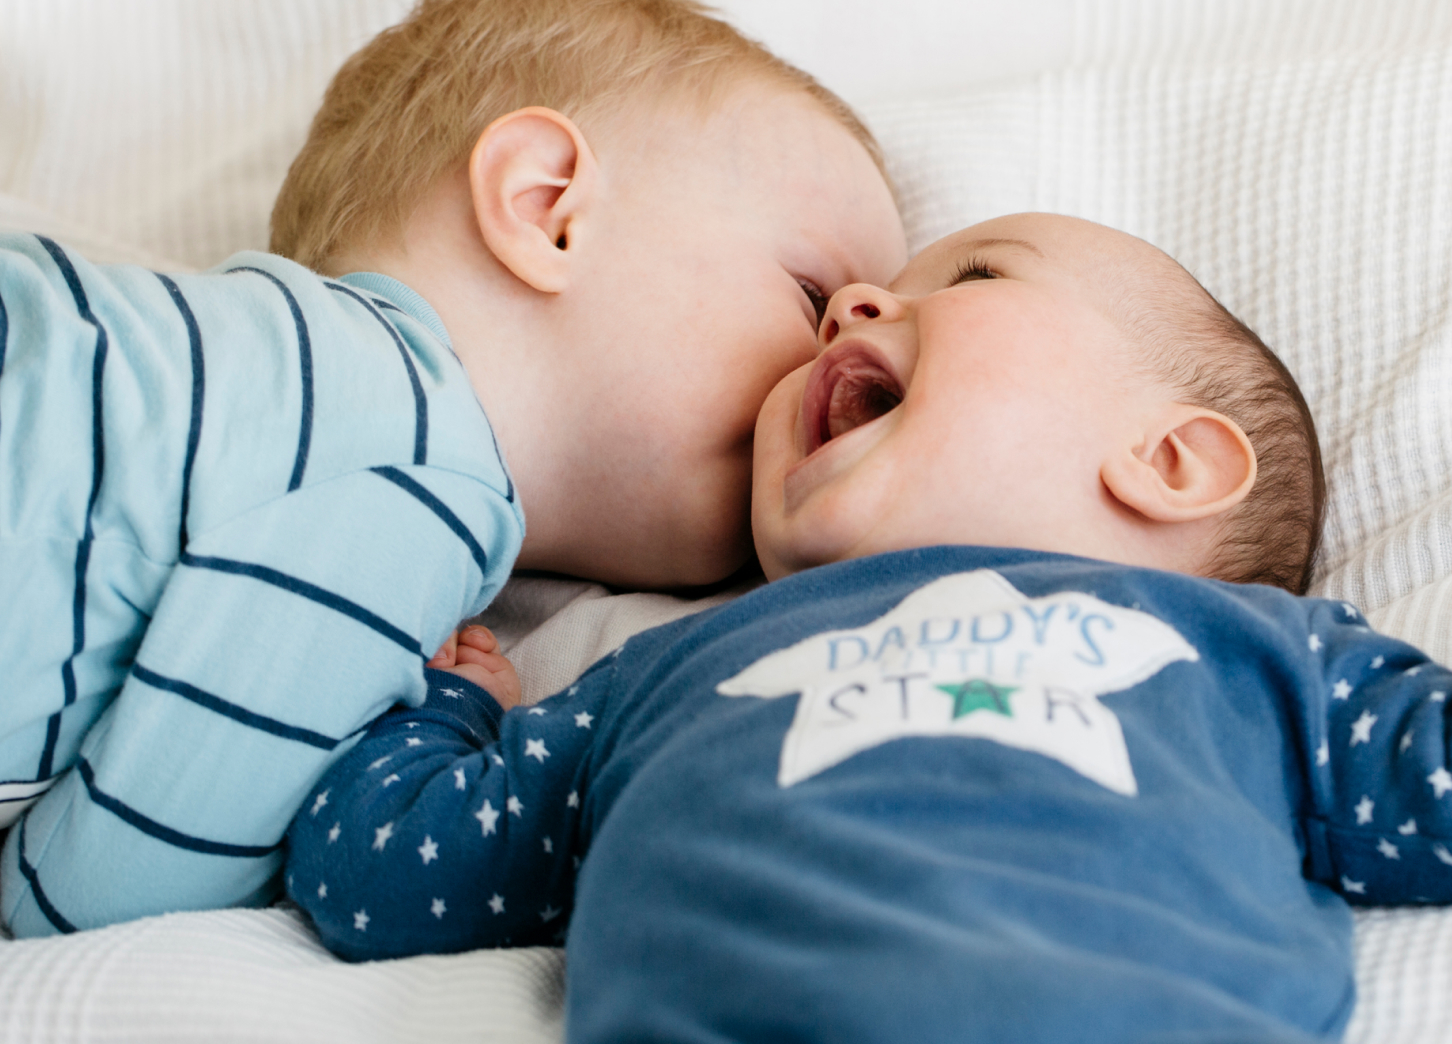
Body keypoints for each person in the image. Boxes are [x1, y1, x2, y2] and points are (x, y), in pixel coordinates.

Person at [286, 212, 1452, 1042]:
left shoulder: (1253, 657)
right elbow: (376, 872)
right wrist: (454, 703)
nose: (852, 302)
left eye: (981, 273)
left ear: (1168, 459)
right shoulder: (659, 674)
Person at [0, 0, 906, 938]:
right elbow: (103, 890)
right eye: (814, 297)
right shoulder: (423, 467)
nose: (839, 358)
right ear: (545, 206)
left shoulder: (259, 381)